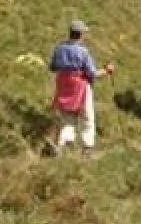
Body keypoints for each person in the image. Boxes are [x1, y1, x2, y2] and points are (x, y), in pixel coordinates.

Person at [48, 20, 113, 157]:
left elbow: (53, 67)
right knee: (87, 116)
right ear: (81, 35)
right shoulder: (82, 52)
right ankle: (87, 147)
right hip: (80, 86)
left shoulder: (59, 48)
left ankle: (61, 144)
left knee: (67, 116)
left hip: (63, 85)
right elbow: (92, 73)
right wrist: (106, 71)